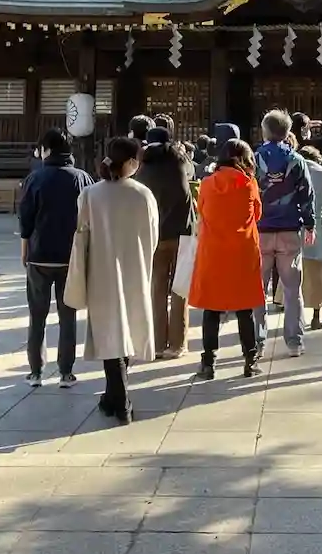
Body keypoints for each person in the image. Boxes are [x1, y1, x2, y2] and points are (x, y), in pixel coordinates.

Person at [64, 136, 157, 424]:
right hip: (135, 269)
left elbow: (81, 234)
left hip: (101, 271)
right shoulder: (143, 195)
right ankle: (119, 398)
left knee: (109, 332)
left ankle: (117, 398)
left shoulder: (90, 195)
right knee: (126, 329)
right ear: (130, 162)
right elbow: (153, 236)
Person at [17, 127, 94, 388]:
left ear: (46, 150)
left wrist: (25, 249)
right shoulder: (82, 178)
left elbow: (26, 218)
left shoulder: (34, 178)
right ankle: (66, 372)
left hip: (39, 255)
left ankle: (36, 371)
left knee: (37, 315)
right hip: (71, 257)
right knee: (67, 316)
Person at [189, 138, 265, 379]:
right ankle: (250, 360)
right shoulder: (249, 184)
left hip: (213, 251)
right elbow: (258, 214)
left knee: (211, 309)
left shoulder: (207, 184)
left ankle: (208, 363)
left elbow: (201, 210)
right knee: (244, 308)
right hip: (242, 251)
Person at [254, 110, 315, 357]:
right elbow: (307, 195)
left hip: (261, 230)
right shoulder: (296, 160)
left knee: (257, 289)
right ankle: (294, 342)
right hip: (289, 229)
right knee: (292, 290)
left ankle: (257, 342)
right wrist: (310, 224)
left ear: (265, 130)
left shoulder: (255, 159)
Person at [135, 125, 194, 358]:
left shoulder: (142, 168)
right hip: (183, 232)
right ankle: (177, 345)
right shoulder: (180, 162)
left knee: (157, 288)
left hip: (155, 235)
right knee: (180, 289)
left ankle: (158, 343)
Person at [299, 145, 322, 329]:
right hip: (317, 225)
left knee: (294, 273)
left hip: (296, 226)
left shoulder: (293, 168)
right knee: (318, 274)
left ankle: (296, 318)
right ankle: (316, 317)